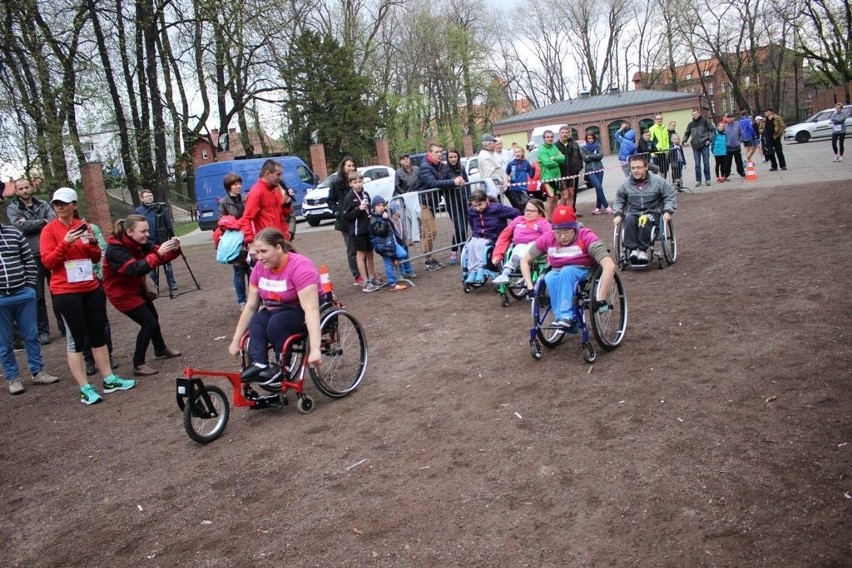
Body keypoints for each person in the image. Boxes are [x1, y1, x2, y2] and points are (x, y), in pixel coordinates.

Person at [40, 187, 136, 405]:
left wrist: (92, 244)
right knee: (76, 339)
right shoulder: (49, 230)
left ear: (74, 205)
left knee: (98, 333)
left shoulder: (83, 226)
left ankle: (109, 379)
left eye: (64, 203)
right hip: (65, 292)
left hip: (90, 287)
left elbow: (93, 256)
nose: (60, 207)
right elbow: (48, 262)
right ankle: (85, 387)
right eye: (56, 203)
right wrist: (65, 242)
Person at [229, 228, 322, 385]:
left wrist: (315, 349)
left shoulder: (300, 267)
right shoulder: (259, 268)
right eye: (257, 252)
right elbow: (251, 306)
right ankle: (259, 364)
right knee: (257, 321)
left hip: (299, 310)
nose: (259, 257)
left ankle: (282, 366)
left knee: (276, 323)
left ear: (279, 248)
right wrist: (236, 340)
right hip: (275, 309)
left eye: (264, 251)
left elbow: (311, 309)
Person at [104, 214, 183, 376]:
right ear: (129, 232)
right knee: (148, 323)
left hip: (137, 288)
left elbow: (158, 255)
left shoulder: (140, 242)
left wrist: (174, 249)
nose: (147, 234)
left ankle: (160, 349)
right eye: (143, 231)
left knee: (153, 317)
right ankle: (138, 364)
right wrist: (159, 254)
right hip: (121, 294)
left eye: (147, 230)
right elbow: (134, 269)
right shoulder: (115, 250)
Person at [520, 206, 616, 329]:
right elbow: (524, 260)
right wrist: (530, 287)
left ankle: (567, 317)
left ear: (574, 228)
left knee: (567, 271)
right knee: (549, 277)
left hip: (584, 270)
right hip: (557, 271)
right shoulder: (548, 238)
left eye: (566, 232)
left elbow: (609, 265)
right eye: (558, 233)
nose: (563, 237)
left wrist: (600, 298)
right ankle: (562, 317)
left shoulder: (586, 236)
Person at [0, 220, 60, 395]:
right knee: (4, 343)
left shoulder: (14, 233)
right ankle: (13, 378)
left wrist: (28, 286)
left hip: (22, 294)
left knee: (31, 335)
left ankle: (38, 372)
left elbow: (28, 259)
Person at [6, 177, 56, 344]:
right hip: (31, 255)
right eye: (21, 188)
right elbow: (20, 227)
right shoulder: (13, 208)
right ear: (16, 191)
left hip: (50, 251)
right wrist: (43, 222)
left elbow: (53, 221)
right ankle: (43, 331)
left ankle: (65, 326)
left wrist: (32, 223)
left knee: (58, 291)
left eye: (27, 187)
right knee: (38, 296)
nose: (25, 191)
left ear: (31, 187)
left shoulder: (43, 204)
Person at [612, 155, 677, 264]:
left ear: (646, 167)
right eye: (633, 168)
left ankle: (642, 251)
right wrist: (618, 214)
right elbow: (619, 200)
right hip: (633, 212)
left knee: (644, 219)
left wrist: (667, 211)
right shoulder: (625, 184)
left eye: (639, 167)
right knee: (628, 220)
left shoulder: (658, 181)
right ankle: (632, 251)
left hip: (652, 212)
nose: (635, 171)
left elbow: (670, 195)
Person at [418, 143, 465, 271]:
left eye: (440, 152)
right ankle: (427, 259)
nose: (439, 154)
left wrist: (458, 179)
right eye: (437, 152)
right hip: (424, 203)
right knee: (430, 231)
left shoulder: (441, 166)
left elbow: (448, 176)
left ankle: (428, 257)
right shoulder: (425, 167)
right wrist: (452, 182)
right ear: (430, 153)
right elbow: (433, 183)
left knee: (429, 231)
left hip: (434, 202)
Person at [81, 222, 118, 376]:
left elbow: (101, 251)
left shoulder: (91, 228)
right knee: (81, 324)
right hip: (72, 286)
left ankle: (107, 355)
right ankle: (89, 360)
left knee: (102, 321)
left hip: (95, 280)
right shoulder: (55, 230)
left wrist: (99, 276)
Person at [240, 159, 295, 258]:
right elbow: (246, 219)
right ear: (268, 173)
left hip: (283, 240)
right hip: (269, 243)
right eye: (278, 174)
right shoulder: (256, 192)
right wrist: (251, 243)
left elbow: (283, 214)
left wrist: (287, 203)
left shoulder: (275, 189)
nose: (280, 178)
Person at [464, 189, 520, 285]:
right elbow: (472, 223)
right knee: (470, 245)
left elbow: (516, 213)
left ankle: (481, 268)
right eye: (474, 205)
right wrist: (475, 232)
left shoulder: (497, 209)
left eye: (480, 205)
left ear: (486, 200)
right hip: (478, 236)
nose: (477, 208)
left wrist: (512, 228)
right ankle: (473, 271)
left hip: (493, 236)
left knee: (480, 244)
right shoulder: (472, 211)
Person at [491, 198, 550, 285]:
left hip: (536, 247)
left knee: (531, 245)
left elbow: (549, 237)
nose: (528, 213)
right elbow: (504, 237)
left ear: (540, 213)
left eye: (532, 211)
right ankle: (505, 273)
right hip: (520, 246)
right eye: (527, 210)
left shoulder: (544, 223)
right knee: (518, 248)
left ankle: (518, 263)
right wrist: (497, 254)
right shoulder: (518, 220)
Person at [343, 170, 382, 292]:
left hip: (367, 228)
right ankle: (365, 282)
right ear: (350, 184)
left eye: (360, 181)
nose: (358, 184)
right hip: (357, 230)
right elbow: (346, 216)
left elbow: (369, 209)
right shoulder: (349, 197)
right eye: (355, 182)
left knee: (370, 253)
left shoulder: (365, 194)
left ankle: (371, 278)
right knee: (361, 255)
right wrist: (358, 209)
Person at [135, 189, 178, 292]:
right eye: (147, 196)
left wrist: (170, 235)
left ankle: (172, 284)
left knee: (167, 263)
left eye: (151, 195)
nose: (150, 197)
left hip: (162, 238)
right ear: (142, 198)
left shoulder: (160, 208)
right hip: (149, 241)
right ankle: (154, 286)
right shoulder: (139, 211)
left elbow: (167, 222)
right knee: (151, 264)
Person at [328, 157, 362, 285]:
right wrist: (338, 212)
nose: (351, 168)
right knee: (352, 249)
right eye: (348, 165)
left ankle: (366, 272)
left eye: (353, 165)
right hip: (346, 221)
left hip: (358, 218)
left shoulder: (357, 180)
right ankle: (357, 275)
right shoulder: (336, 183)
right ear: (343, 167)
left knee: (362, 247)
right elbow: (330, 201)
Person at [217, 173, 249, 308]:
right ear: (229, 187)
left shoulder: (246, 199)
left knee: (253, 271)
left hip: (248, 237)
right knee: (239, 272)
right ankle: (242, 301)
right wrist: (234, 227)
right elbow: (221, 222)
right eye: (235, 184)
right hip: (234, 241)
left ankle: (257, 300)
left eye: (239, 183)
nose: (239, 186)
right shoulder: (224, 203)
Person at [369, 196, 412, 291]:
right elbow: (381, 232)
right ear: (374, 207)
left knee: (403, 254)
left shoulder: (384, 215)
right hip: (383, 246)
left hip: (391, 243)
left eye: (383, 205)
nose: (381, 207)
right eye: (378, 205)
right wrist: (385, 220)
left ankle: (395, 265)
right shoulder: (373, 219)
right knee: (388, 264)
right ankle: (392, 283)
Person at [445, 149, 469, 266]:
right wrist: (453, 182)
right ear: (448, 158)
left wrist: (469, 198)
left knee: (463, 228)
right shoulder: (445, 170)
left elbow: (468, 183)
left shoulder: (462, 168)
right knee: (459, 228)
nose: (453, 159)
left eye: (455, 157)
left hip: (463, 201)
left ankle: (457, 252)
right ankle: (462, 253)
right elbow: (443, 184)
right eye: (451, 157)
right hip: (452, 202)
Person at [580, 133, 613, 215]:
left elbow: (600, 156)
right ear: (586, 139)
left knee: (599, 188)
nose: (590, 139)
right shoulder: (583, 148)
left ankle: (597, 208)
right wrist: (594, 155)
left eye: (591, 138)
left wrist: (589, 156)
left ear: (594, 138)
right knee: (598, 186)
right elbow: (584, 158)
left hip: (599, 169)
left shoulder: (598, 145)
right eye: (588, 138)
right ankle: (607, 206)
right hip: (590, 170)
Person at [682, 109, 715, 187]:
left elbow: (713, 130)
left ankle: (707, 179)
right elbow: (687, 133)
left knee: (706, 163)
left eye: (695, 114)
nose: (694, 116)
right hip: (695, 146)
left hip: (704, 144)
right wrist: (684, 141)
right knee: (697, 164)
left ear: (699, 114)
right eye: (693, 115)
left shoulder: (705, 121)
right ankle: (698, 181)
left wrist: (709, 140)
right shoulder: (690, 124)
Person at [537, 129, 565, 219]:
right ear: (544, 139)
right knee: (550, 198)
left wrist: (554, 158)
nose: (550, 139)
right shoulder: (542, 149)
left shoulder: (554, 147)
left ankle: (555, 218)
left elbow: (563, 158)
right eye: (548, 137)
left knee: (556, 198)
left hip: (556, 176)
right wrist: (557, 161)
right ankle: (548, 219)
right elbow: (547, 163)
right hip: (547, 178)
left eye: (551, 137)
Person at [555, 125, 583, 214]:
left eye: (566, 133)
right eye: (562, 133)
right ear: (559, 134)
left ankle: (569, 215)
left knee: (571, 194)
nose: (564, 134)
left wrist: (579, 168)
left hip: (572, 173)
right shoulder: (555, 146)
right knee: (565, 196)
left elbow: (579, 156)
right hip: (561, 174)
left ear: (569, 134)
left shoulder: (574, 144)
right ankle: (559, 214)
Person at [504, 145, 535, 211]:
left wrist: (533, 168)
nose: (517, 153)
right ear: (514, 154)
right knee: (516, 207)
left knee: (525, 205)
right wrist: (509, 176)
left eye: (519, 152)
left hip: (523, 188)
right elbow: (506, 175)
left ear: (522, 153)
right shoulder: (511, 164)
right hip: (513, 189)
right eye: (516, 152)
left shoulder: (526, 163)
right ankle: (518, 219)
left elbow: (531, 175)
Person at [648, 113, 671, 179]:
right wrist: (652, 153)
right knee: (658, 169)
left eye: (660, 119)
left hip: (664, 152)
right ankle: (659, 184)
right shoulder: (652, 129)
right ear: (655, 120)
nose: (659, 120)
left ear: (662, 120)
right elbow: (650, 142)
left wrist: (667, 151)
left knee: (665, 169)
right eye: (657, 119)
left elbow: (667, 141)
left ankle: (663, 183)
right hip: (656, 153)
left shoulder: (665, 128)